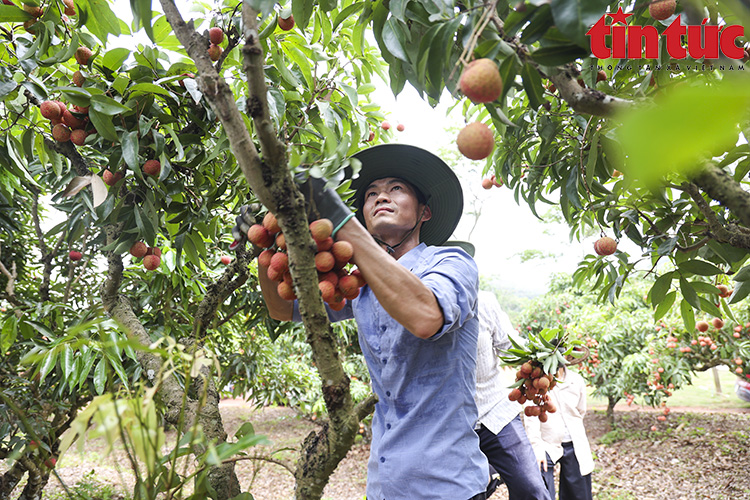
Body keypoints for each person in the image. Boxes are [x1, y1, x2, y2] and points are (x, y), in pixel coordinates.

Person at [235, 144, 491, 500]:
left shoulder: (453, 263)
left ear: (425, 212)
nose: (380, 197)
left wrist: (341, 222)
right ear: (364, 217)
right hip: (385, 485)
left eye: (396, 189)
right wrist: (267, 251)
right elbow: (283, 309)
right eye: (371, 193)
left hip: (447, 484)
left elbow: (426, 316)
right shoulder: (360, 285)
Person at [474, 288, 552, 500]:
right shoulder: (420, 308)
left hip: (496, 414)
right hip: (450, 426)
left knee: (533, 490)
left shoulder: (484, 302)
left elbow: (511, 347)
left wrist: (545, 353)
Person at [523, 356, 594, 500]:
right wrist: (537, 448)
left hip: (574, 442)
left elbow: (581, 411)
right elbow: (531, 416)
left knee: (579, 491)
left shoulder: (576, 380)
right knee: (541, 482)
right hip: (547, 444)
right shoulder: (537, 383)